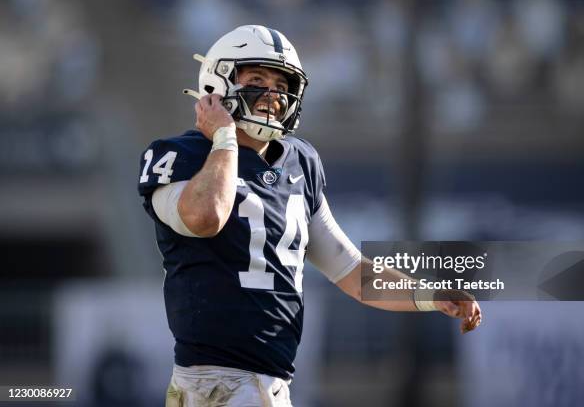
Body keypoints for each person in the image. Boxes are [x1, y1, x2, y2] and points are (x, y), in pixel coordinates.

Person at [137, 25, 482, 407]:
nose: (273, 95)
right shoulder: (178, 154)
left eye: (282, 84)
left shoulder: (300, 161)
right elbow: (206, 217)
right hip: (215, 382)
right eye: (256, 80)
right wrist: (225, 138)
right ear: (218, 84)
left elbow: (353, 272)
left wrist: (431, 295)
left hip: (272, 382)